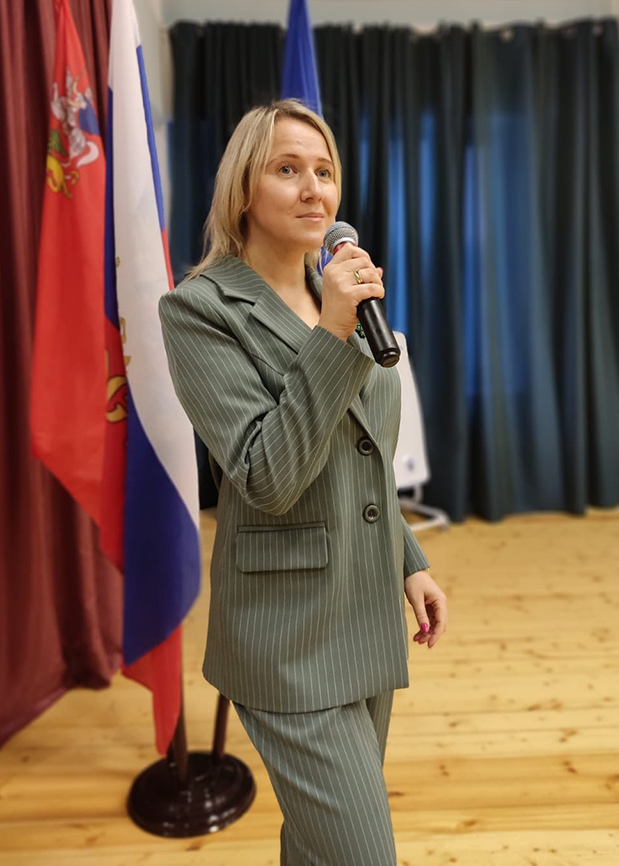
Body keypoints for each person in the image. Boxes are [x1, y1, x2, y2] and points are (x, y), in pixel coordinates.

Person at [159, 98, 448, 865]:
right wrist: (334, 333)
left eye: (324, 170)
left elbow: (364, 452)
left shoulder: (335, 297)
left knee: (321, 848)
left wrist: (409, 561)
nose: (314, 188)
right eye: (287, 169)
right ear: (242, 190)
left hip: (364, 609)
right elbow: (266, 477)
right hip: (286, 636)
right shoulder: (200, 309)